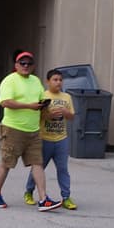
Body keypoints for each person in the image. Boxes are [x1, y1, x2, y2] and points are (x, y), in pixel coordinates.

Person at [0, 51, 61, 211]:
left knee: (37, 163)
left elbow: (39, 103)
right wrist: (29, 106)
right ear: (16, 65)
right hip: (13, 129)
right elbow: (5, 102)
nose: (25, 66)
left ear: (33, 66)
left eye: (29, 63)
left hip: (33, 130)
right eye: (22, 63)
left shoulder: (36, 81)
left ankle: (44, 199)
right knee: (6, 163)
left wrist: (47, 112)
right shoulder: (10, 80)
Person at [23, 68, 77, 210]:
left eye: (60, 80)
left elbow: (72, 117)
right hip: (44, 138)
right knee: (38, 167)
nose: (58, 82)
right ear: (48, 82)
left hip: (61, 139)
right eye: (55, 80)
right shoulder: (43, 96)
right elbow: (36, 116)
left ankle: (66, 197)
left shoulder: (67, 97)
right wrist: (48, 116)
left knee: (63, 169)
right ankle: (29, 192)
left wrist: (66, 112)